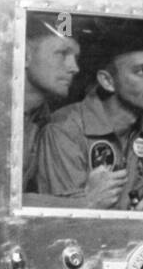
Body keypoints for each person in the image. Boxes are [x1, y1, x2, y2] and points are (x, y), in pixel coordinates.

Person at [34, 29, 143, 211]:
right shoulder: (65, 129)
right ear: (107, 81)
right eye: (141, 71)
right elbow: (60, 220)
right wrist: (86, 201)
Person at [20, 14, 125, 209]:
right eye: (62, 53)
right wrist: (85, 202)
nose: (74, 67)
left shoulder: (42, 116)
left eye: (75, 57)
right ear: (24, 54)